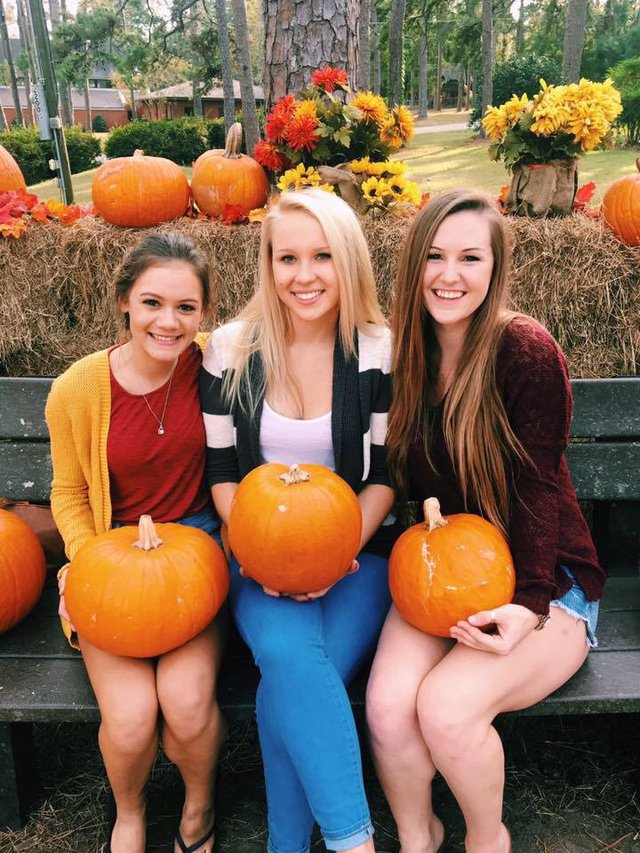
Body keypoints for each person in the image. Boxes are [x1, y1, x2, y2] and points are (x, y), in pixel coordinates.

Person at [366, 189, 606, 853]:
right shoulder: (405, 359)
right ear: (413, 264)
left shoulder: (523, 351)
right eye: (435, 256)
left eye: (470, 257)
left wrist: (527, 605)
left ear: (495, 267)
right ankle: (419, 838)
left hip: (547, 580)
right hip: (449, 567)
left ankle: (486, 838)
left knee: (444, 706)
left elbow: (537, 489)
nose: (450, 274)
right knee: (389, 709)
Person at [200, 188, 399, 853]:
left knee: (286, 685)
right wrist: (260, 554)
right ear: (268, 263)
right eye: (288, 258)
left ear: (348, 261)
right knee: (289, 655)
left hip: (358, 557)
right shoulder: (230, 348)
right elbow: (223, 473)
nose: (305, 275)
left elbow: (383, 477)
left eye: (322, 256)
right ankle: (353, 842)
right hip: (255, 558)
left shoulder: (377, 350)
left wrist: (337, 549)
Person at [46, 232, 226, 853]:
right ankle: (130, 811)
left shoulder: (216, 368)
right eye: (152, 303)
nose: (168, 322)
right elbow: (68, 494)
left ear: (204, 313)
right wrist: (83, 562)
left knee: (185, 704)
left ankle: (200, 807)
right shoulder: (78, 389)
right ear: (124, 301)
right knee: (128, 721)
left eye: (186, 307)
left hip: (195, 556)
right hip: (112, 561)